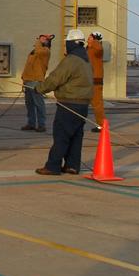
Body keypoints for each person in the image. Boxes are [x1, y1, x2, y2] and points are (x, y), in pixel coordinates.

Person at [34, 29, 95, 176]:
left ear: (70, 44)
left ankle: (53, 166)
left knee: (61, 136)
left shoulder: (71, 60)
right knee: (76, 136)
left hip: (69, 104)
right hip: (83, 105)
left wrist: (39, 89)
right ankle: (72, 166)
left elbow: (56, 78)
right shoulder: (86, 60)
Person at [19, 34, 53, 132]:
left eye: (42, 39)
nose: (38, 40)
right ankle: (31, 123)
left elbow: (39, 50)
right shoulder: (34, 52)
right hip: (28, 80)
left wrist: (41, 42)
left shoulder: (45, 51)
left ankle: (41, 125)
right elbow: (28, 66)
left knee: (39, 104)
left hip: (36, 81)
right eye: (39, 38)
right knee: (29, 104)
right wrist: (24, 78)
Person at [86, 32, 105, 133]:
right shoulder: (88, 49)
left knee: (97, 104)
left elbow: (99, 49)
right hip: (87, 80)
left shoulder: (97, 50)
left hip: (95, 81)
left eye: (90, 38)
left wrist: (96, 41)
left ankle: (101, 125)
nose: (88, 39)